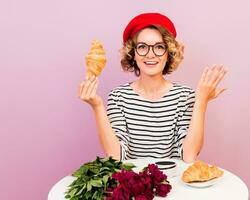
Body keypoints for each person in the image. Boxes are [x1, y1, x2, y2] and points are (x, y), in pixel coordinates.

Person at [78, 13, 227, 163]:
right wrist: (97, 107)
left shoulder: (185, 96)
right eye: (142, 47)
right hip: (132, 184)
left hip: (174, 184)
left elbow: (188, 156)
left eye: (159, 47)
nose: (150, 55)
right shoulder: (118, 97)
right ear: (133, 53)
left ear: (169, 53)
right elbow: (116, 157)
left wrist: (201, 101)